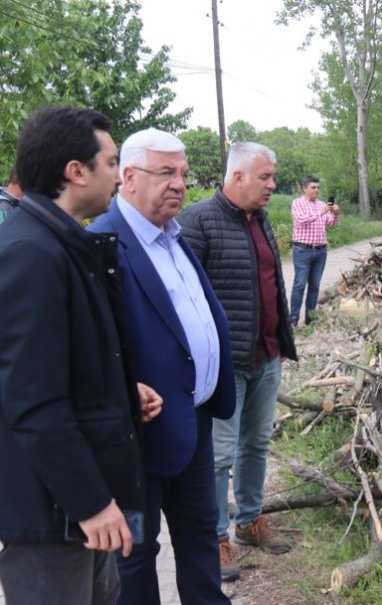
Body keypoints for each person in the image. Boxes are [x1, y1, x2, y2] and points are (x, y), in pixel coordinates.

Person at [0, 107, 160, 605]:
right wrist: (90, 505)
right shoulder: (30, 252)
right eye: (111, 162)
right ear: (76, 171)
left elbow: (66, 363)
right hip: (51, 514)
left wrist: (121, 394)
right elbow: (31, 400)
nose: (118, 174)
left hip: (76, 502)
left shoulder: (67, 243)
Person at [89, 128, 236, 604]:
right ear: (128, 177)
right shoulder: (100, 243)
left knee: (199, 536)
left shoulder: (174, 237)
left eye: (183, 174)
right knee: (134, 555)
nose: (179, 183)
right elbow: (84, 348)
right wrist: (120, 387)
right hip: (136, 434)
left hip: (191, 422)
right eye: (166, 172)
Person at [178, 142, 297, 581]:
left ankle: (249, 520)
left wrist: (282, 338)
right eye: (265, 177)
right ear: (238, 176)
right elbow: (184, 300)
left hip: (266, 355)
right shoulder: (197, 222)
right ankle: (216, 539)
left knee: (257, 444)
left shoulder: (262, 220)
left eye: (273, 177)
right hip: (225, 366)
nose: (272, 185)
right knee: (220, 454)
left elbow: (274, 286)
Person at [289, 176, 338, 326]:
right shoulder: (298, 203)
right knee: (299, 284)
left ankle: (310, 319)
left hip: (320, 251)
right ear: (305, 188)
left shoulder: (322, 204)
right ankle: (293, 320)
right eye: (313, 187)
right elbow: (301, 220)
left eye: (318, 187)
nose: (316, 190)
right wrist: (322, 212)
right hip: (302, 250)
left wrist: (336, 213)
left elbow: (331, 224)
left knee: (315, 285)